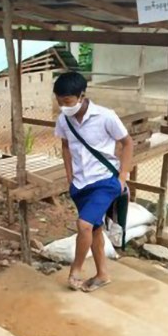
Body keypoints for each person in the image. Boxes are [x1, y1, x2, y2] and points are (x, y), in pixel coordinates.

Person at [53, 72, 134, 292]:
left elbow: (127, 143)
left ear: (81, 96)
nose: (63, 106)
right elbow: (65, 146)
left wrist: (122, 177)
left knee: (84, 224)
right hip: (80, 184)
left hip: (105, 181)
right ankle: (102, 274)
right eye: (59, 102)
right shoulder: (63, 120)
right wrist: (70, 176)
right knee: (95, 229)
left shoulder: (106, 116)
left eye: (67, 102)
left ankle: (76, 270)